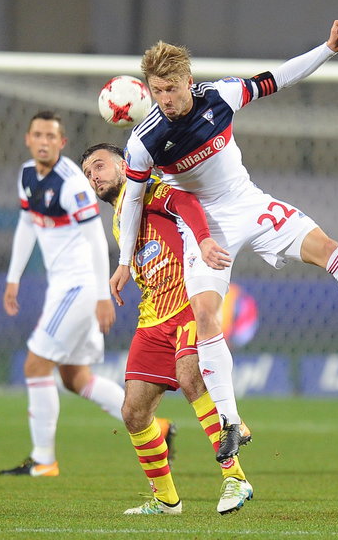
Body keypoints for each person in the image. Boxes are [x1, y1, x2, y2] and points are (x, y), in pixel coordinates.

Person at [111, 19, 338, 461]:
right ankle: (230, 423)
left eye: (173, 88)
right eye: (157, 91)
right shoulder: (144, 141)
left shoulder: (220, 96)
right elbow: (137, 198)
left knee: (329, 250)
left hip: (250, 204)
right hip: (203, 226)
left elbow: (279, 77)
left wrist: (328, 48)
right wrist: (124, 261)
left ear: (188, 81)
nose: (166, 99)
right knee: (205, 316)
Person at [0, 111, 173, 477]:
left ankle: (44, 460)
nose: (44, 141)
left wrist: (99, 295)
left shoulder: (72, 183)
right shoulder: (27, 176)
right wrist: (13, 277)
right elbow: (27, 224)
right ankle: (158, 429)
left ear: (61, 143)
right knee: (74, 377)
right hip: (63, 286)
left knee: (35, 366)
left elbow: (96, 236)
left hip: (79, 286)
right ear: (29, 140)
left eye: (51, 135)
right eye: (38, 135)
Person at [82, 143, 253, 515]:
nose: (94, 176)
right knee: (133, 412)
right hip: (153, 317)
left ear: (125, 166)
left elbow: (185, 203)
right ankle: (166, 501)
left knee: (192, 379)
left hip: (189, 304)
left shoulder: (146, 189)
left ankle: (236, 478)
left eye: (99, 166)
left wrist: (205, 240)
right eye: (88, 173)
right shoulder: (118, 216)